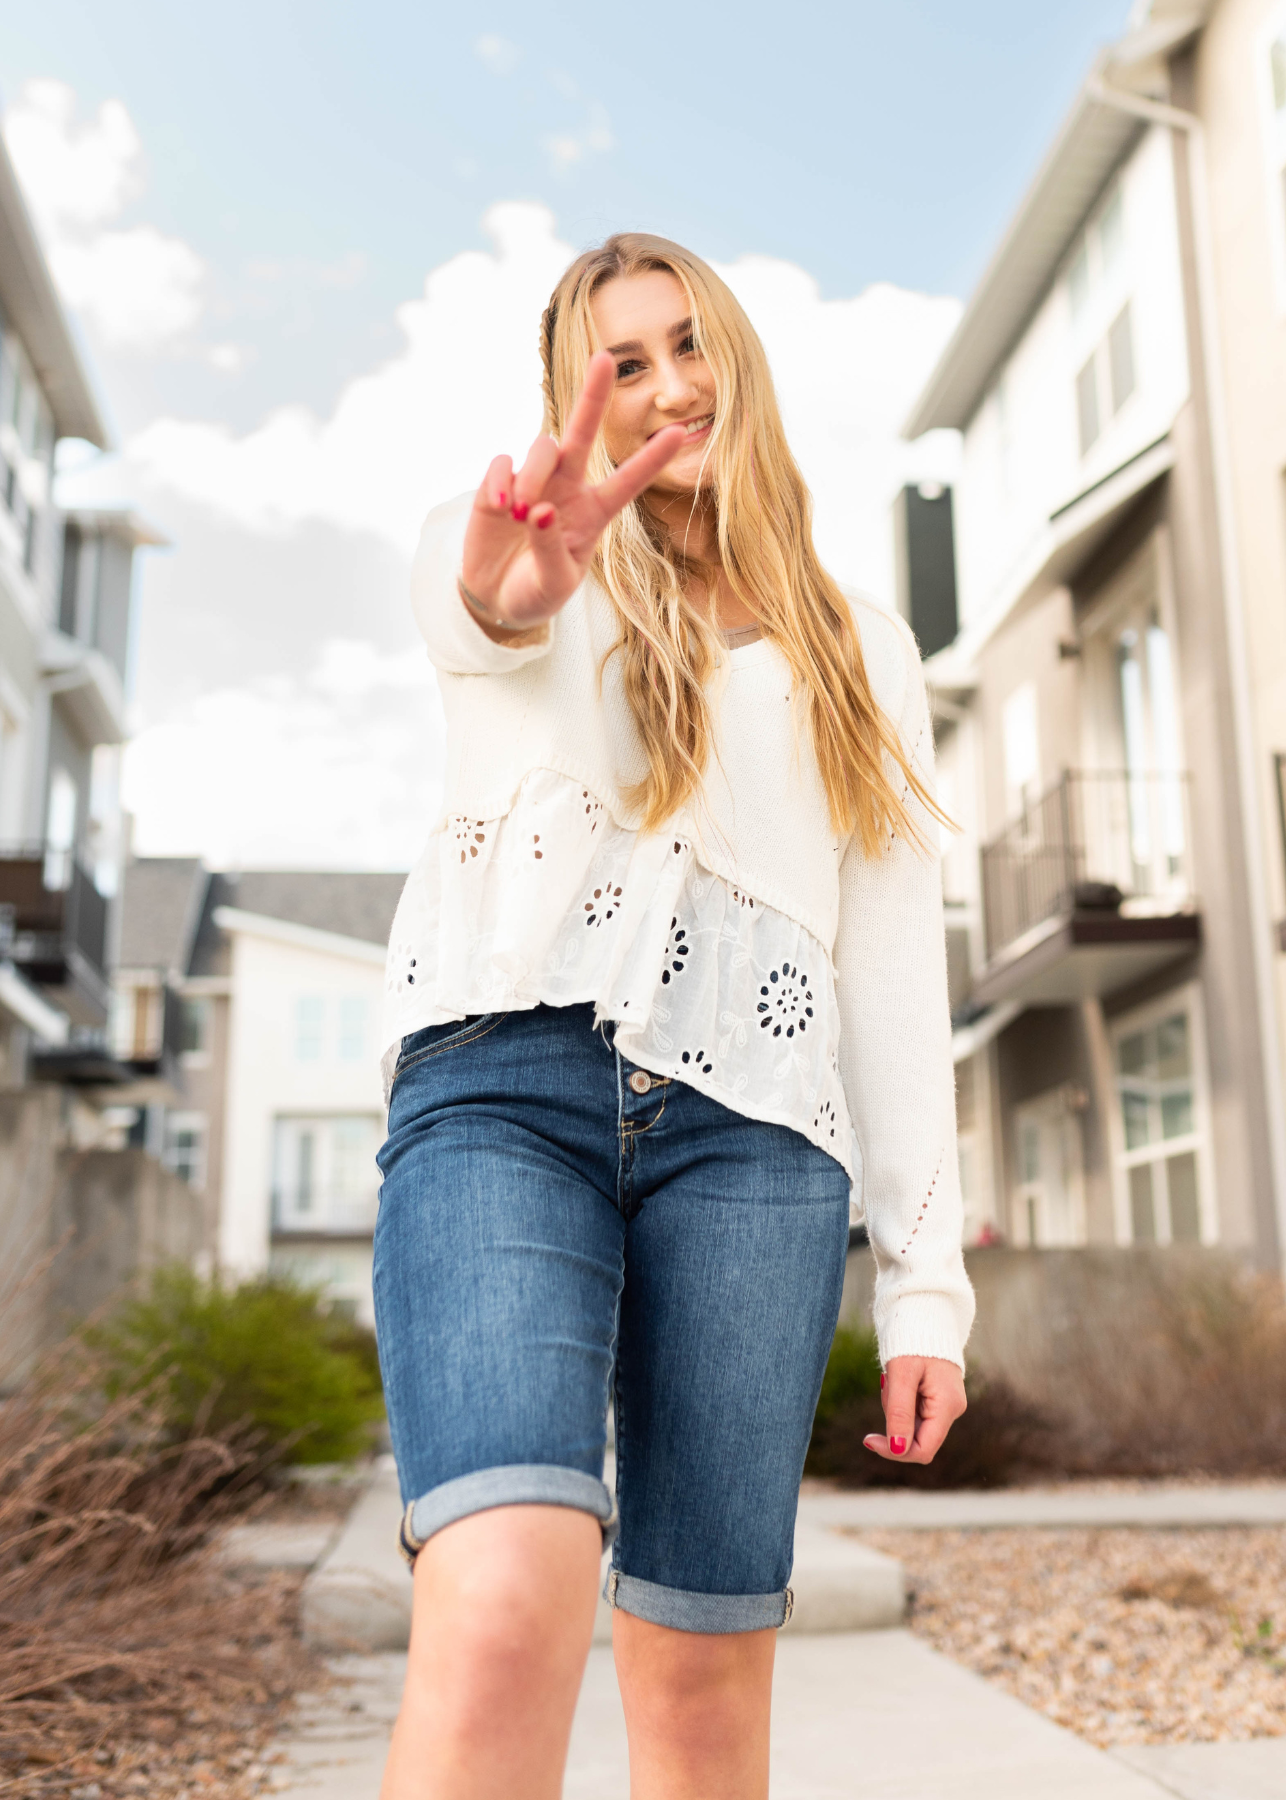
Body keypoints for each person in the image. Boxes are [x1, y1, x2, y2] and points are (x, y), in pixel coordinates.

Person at [373, 232, 974, 1800]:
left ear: (743, 359)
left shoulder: (863, 649)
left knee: (704, 1691)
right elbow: (482, 604)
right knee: (502, 1599)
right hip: (503, 1099)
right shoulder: (518, 545)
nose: (665, 385)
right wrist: (519, 577)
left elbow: (892, 973)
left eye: (687, 342)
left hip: (759, 1155)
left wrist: (926, 1294)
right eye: (619, 363)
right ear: (577, 400)